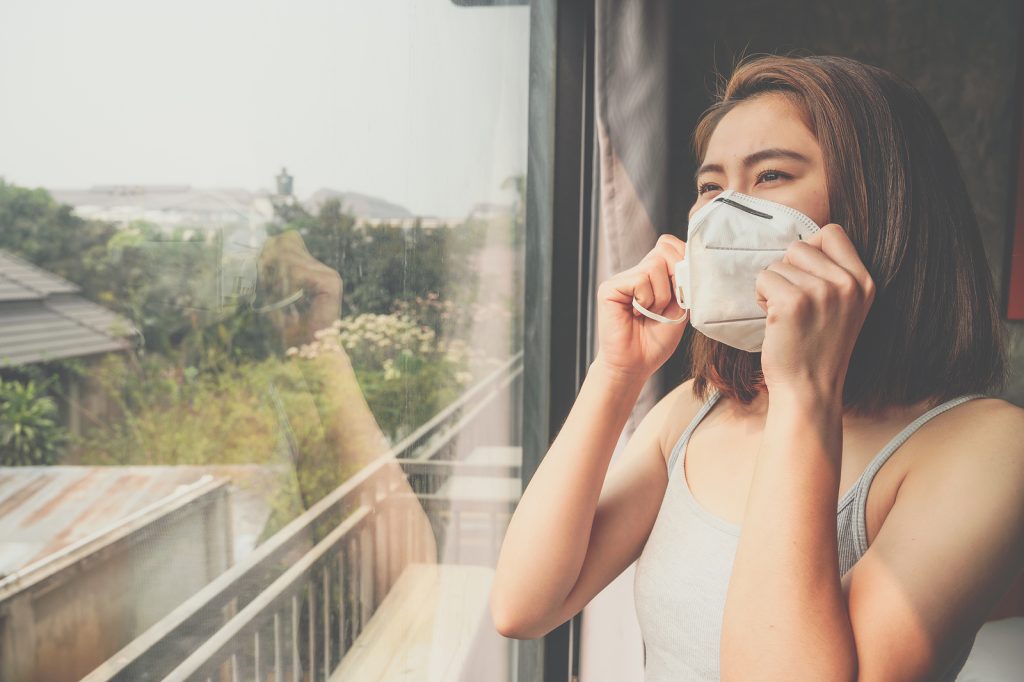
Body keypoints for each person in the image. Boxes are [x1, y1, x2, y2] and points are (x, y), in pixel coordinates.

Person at [490, 54, 1024, 681]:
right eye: (711, 187)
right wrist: (616, 373)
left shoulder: (987, 446)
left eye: (770, 175)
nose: (723, 214)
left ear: (878, 203)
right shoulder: (696, 411)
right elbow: (523, 606)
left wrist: (803, 392)